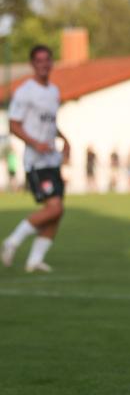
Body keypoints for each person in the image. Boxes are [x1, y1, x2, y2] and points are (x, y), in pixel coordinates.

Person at [2, 45, 69, 273]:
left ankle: (34, 260)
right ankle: (12, 241)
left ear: (52, 62)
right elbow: (13, 124)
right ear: (32, 64)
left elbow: (49, 123)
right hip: (36, 161)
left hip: (52, 159)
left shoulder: (53, 91)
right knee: (54, 208)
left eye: (47, 59)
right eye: (39, 60)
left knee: (57, 212)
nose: (44, 64)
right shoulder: (25, 92)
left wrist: (65, 140)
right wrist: (35, 143)